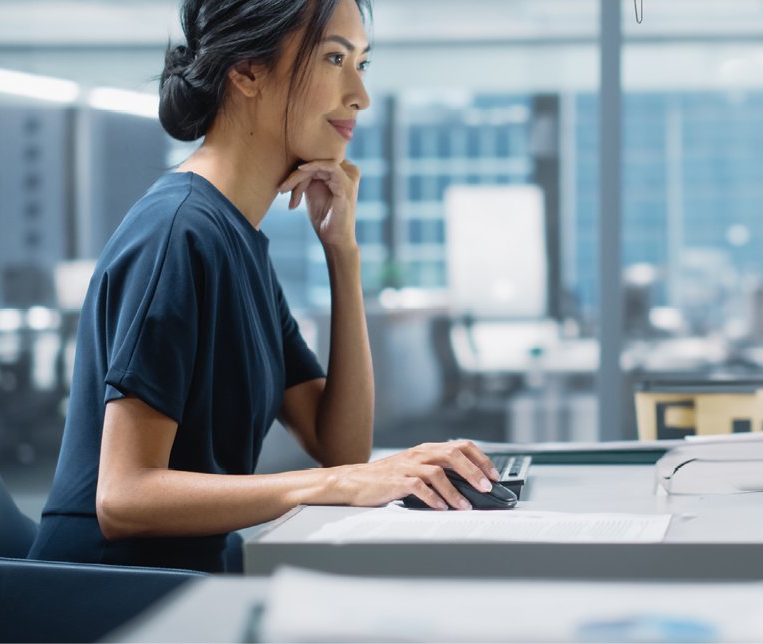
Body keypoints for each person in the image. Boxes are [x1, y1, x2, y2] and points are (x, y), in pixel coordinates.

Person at [29, 0, 501, 574]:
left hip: (193, 576)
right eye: (334, 58)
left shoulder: (237, 238)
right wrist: (339, 483)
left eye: (362, 64)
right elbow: (123, 497)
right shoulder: (178, 234)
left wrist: (341, 254)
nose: (360, 95)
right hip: (112, 596)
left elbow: (340, 446)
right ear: (247, 70)